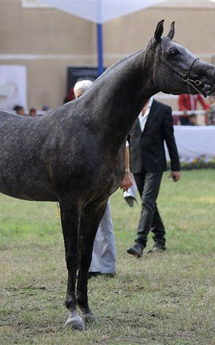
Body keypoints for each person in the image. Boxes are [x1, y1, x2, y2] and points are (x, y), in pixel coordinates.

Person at [125, 97, 181, 257]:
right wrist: (125, 168)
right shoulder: (131, 107)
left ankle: (139, 242)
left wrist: (176, 167)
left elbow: (170, 139)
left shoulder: (163, 110)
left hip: (155, 164)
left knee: (148, 202)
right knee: (148, 203)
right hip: (136, 164)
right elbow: (127, 140)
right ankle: (160, 238)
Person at [73, 80, 116, 277]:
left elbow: (120, 146)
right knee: (80, 224)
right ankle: (88, 266)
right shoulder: (70, 118)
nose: (79, 101)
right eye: (77, 97)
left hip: (97, 178)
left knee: (103, 222)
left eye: (83, 96)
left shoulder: (104, 118)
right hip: (76, 179)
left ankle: (106, 266)